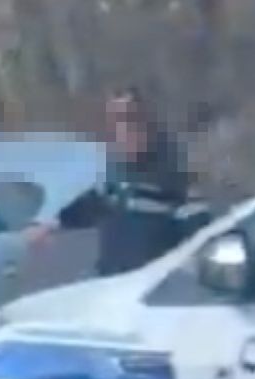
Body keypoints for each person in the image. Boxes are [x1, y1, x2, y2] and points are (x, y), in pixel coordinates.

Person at [37, 87, 197, 276]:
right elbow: (89, 205)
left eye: (130, 120)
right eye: (115, 123)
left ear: (147, 124)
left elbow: (200, 239)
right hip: (112, 283)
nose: (123, 131)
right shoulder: (114, 175)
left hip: (152, 287)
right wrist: (50, 223)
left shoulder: (174, 174)